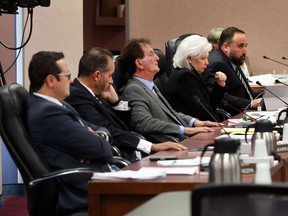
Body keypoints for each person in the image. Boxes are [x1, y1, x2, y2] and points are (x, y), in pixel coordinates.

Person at [26, 51, 115, 215]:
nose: (71, 80)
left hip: (99, 179)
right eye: (67, 75)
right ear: (51, 80)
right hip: (85, 191)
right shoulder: (47, 114)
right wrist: (93, 139)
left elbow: (100, 129)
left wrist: (96, 136)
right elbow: (102, 150)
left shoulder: (58, 105)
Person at [64, 47, 187, 162]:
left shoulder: (96, 95)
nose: (112, 81)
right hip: (114, 159)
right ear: (97, 76)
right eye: (110, 75)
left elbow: (126, 128)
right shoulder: (78, 97)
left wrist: (116, 102)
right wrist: (153, 146)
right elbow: (110, 131)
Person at [120, 38, 221, 142]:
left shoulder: (150, 85)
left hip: (183, 139)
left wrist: (194, 122)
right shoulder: (133, 90)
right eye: (151, 54)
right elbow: (145, 123)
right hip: (170, 144)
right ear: (139, 63)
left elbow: (170, 113)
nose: (157, 58)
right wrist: (184, 130)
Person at [165, 35, 227, 121]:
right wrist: (222, 127)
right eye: (203, 58)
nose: (207, 63)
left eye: (207, 58)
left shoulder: (192, 74)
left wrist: (219, 85)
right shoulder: (184, 77)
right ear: (189, 58)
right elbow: (202, 112)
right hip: (190, 130)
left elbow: (209, 106)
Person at [203, 27, 262, 116]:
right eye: (241, 46)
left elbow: (242, 92)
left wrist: (266, 97)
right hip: (233, 116)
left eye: (246, 46)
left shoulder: (231, 61)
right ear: (226, 47)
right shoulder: (217, 63)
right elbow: (220, 97)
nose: (245, 51)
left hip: (246, 112)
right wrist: (251, 103)